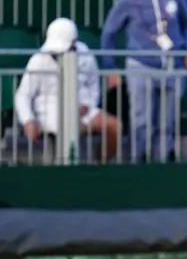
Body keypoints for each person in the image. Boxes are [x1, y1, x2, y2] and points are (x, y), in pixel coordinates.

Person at [100, 0, 187, 163]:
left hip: (173, 64)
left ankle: (162, 162)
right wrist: (111, 67)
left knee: (167, 121)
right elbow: (108, 33)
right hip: (140, 65)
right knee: (141, 120)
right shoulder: (127, 0)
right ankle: (137, 162)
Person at [14, 18, 119, 163]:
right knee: (66, 131)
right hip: (49, 112)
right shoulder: (38, 59)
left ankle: (99, 165)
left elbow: (93, 85)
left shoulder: (85, 54)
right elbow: (23, 95)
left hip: (82, 111)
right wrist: (28, 120)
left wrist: (88, 105)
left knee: (114, 126)